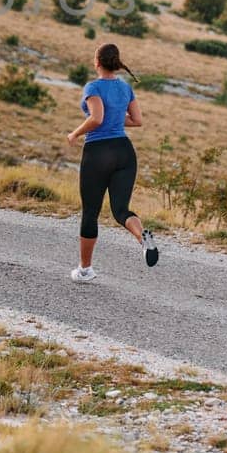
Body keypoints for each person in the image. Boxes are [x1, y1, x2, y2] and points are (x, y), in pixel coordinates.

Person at [65, 42, 156, 281]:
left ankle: (85, 269)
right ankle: (142, 237)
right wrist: (115, 119)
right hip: (125, 152)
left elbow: (96, 118)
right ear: (116, 62)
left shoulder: (93, 87)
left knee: (91, 213)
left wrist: (75, 134)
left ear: (97, 62)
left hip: (98, 152)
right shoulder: (125, 88)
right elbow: (137, 120)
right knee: (120, 210)